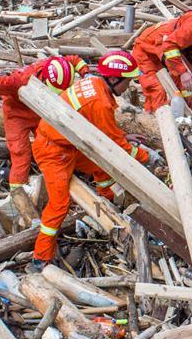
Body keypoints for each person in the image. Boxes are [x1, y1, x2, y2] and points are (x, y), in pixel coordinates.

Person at [31, 51, 162, 270]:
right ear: (113, 79)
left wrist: (123, 136)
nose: (129, 86)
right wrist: (148, 157)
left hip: (69, 144)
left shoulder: (93, 84)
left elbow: (104, 131)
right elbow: (116, 147)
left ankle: (106, 204)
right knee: (59, 205)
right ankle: (40, 257)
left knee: (101, 167)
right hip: (53, 151)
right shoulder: (99, 102)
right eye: (127, 81)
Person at [0, 56, 89, 190]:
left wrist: (86, 73)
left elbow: (75, 59)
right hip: (17, 114)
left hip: (41, 110)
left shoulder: (60, 64)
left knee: (55, 143)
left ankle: (65, 174)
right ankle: (18, 191)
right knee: (20, 152)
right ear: (45, 80)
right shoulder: (19, 80)